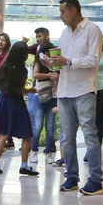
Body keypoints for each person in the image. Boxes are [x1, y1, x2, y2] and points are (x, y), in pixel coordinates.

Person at [55, 0, 103, 196]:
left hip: (84, 89)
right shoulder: (64, 33)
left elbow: (93, 59)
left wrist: (69, 61)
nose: (61, 16)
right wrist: (53, 63)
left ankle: (95, 180)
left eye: (63, 12)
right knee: (66, 137)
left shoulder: (92, 29)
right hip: (64, 89)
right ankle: (71, 176)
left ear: (74, 10)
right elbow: (62, 62)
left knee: (90, 134)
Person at [0, 41, 37, 177]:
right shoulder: (22, 70)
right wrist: (31, 90)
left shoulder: (4, 67)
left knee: (4, 134)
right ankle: (24, 165)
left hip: (3, 101)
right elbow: (21, 90)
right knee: (27, 134)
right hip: (16, 102)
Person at [31, 33, 59, 168]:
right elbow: (35, 75)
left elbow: (59, 77)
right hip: (40, 95)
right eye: (46, 52)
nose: (48, 55)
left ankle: (48, 152)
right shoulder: (39, 62)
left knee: (50, 127)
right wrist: (49, 74)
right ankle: (34, 151)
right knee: (37, 126)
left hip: (53, 97)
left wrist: (54, 74)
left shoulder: (56, 64)